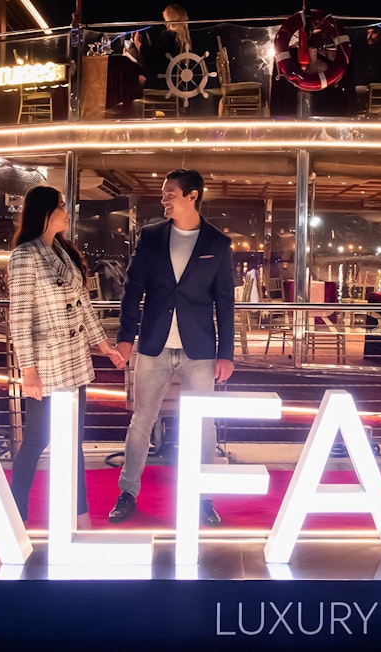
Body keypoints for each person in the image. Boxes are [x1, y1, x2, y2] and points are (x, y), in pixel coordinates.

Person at [108, 168, 235, 526]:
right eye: (163, 193)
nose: (163, 199)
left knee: (204, 425)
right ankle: (127, 493)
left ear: (192, 196)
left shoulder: (217, 243)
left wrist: (226, 353)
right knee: (141, 421)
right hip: (154, 344)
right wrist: (125, 337)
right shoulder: (150, 236)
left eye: (170, 194)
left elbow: (225, 302)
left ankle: (204, 497)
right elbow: (132, 290)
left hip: (200, 349)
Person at [7, 185, 126, 529]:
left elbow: (83, 305)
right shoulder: (25, 256)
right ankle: (15, 514)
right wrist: (28, 370)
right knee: (36, 440)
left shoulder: (62, 251)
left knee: (73, 440)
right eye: (61, 206)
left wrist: (103, 345)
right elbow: (20, 318)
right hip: (46, 364)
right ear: (45, 213)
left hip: (75, 361)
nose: (67, 212)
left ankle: (79, 514)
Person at [133, 3, 191, 91]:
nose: (165, 23)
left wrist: (138, 44)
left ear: (171, 18)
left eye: (165, 19)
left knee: (133, 78)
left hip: (163, 81)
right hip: (175, 82)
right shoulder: (182, 39)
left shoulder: (169, 36)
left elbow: (153, 56)